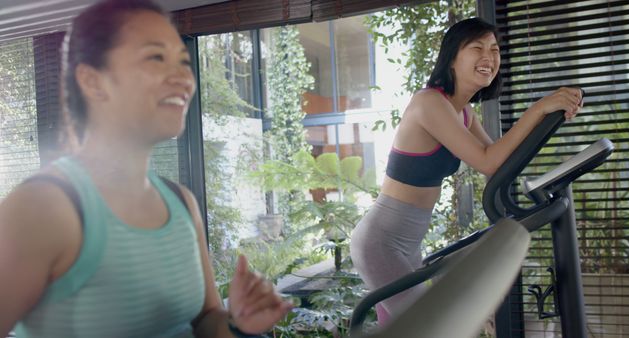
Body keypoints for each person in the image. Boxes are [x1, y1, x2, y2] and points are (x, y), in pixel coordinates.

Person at [0, 0, 291, 337]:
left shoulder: (181, 201)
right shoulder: (43, 208)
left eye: (184, 61)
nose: (184, 77)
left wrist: (236, 322)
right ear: (93, 81)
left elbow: (206, 320)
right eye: (156, 57)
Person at [349, 17, 582, 325]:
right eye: (477, 48)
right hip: (382, 242)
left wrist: (548, 118)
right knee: (434, 326)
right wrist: (538, 108)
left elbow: (502, 163)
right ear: (452, 58)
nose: (489, 57)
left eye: (495, 49)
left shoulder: (463, 113)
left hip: (409, 244)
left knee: (405, 330)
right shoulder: (429, 103)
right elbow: (488, 160)